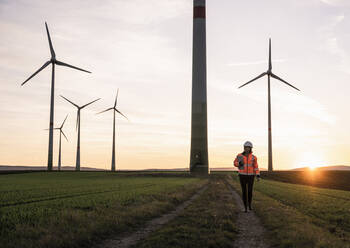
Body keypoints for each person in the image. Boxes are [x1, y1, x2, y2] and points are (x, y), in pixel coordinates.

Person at [233, 141, 260, 212]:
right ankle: (245, 207)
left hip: (251, 176)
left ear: (250, 148)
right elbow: (235, 163)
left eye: (248, 147)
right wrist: (239, 163)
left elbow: (256, 166)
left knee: (250, 191)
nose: (247, 149)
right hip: (242, 176)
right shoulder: (239, 155)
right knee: (244, 191)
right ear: (244, 148)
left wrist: (257, 174)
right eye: (246, 147)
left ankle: (250, 205)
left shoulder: (254, 157)